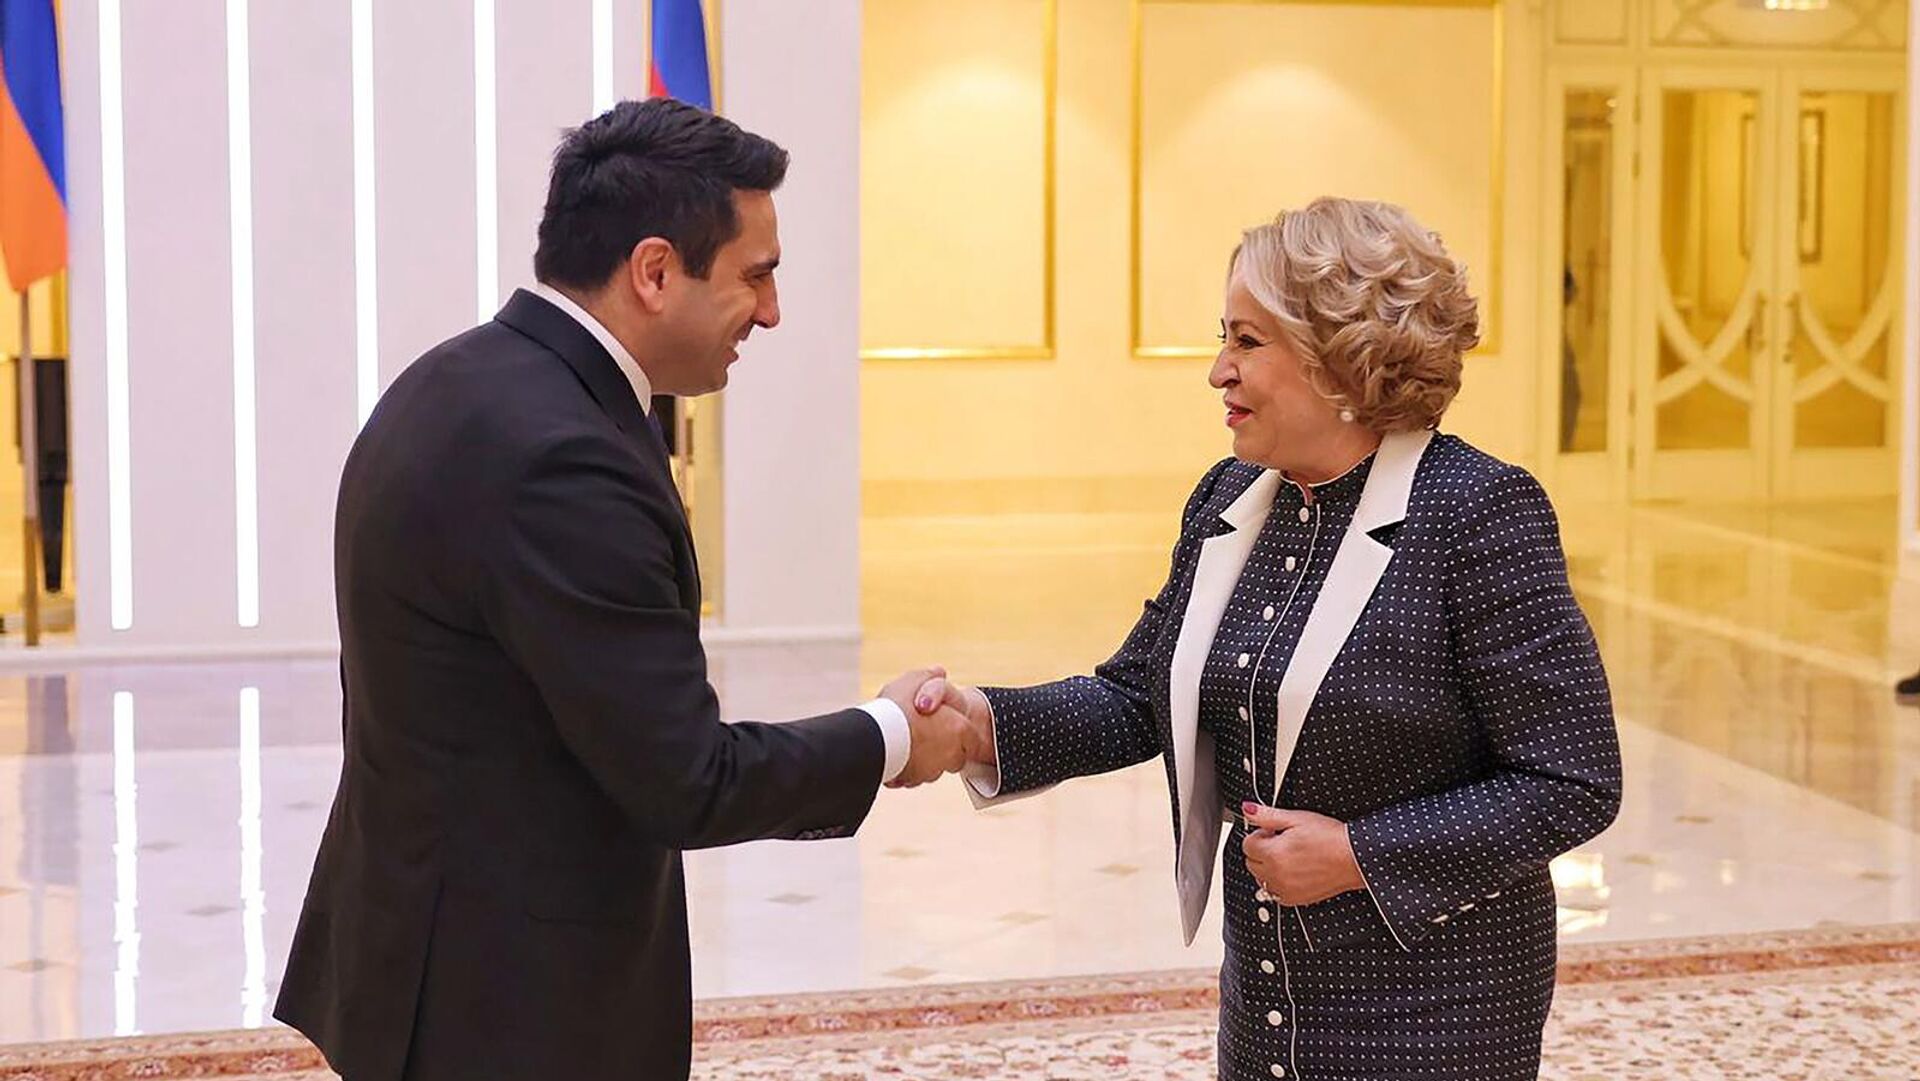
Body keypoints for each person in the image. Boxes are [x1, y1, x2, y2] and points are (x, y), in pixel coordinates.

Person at [274, 99, 977, 1081]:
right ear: (654, 271)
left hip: (417, 944)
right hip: (505, 1001)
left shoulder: (462, 378)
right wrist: (893, 734)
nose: (773, 311)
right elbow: (689, 779)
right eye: (755, 275)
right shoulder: (562, 460)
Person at [924, 198, 1624, 1080]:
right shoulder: (1230, 497)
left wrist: (1359, 855)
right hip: (1266, 1005)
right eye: (1223, 338)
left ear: (1343, 359)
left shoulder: (1477, 512)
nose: (1218, 370)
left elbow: (1572, 778)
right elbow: (1140, 693)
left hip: (1438, 1012)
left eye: (1247, 341)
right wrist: (978, 725)